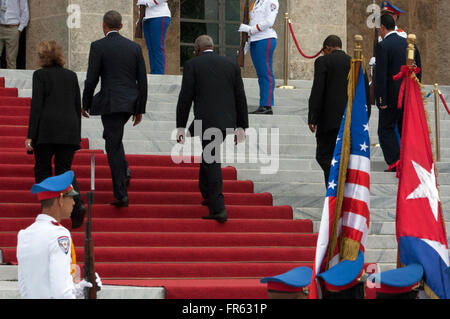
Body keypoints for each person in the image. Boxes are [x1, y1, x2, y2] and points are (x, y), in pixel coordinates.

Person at [176, 35, 248, 223]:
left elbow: (185, 98)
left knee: (211, 159)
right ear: (212, 47)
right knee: (209, 156)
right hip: (226, 122)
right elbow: (240, 97)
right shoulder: (231, 65)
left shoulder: (193, 65)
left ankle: (218, 207)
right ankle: (206, 192)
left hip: (207, 122)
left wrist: (180, 127)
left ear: (197, 48)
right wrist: (242, 126)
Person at [82, 10, 148, 207]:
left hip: (111, 102)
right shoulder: (134, 48)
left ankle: (121, 193)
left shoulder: (98, 46)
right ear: (121, 26)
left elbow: (92, 78)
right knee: (112, 138)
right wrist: (140, 109)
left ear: (104, 26)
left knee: (112, 144)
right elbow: (142, 80)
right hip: (129, 103)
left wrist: (85, 102)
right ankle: (125, 169)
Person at [25, 40, 85, 229]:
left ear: (43, 57)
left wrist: (30, 135)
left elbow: (37, 107)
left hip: (47, 130)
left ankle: (48, 207)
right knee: (64, 170)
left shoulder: (40, 75)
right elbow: (77, 106)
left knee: (42, 168)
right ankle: (77, 205)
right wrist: (77, 135)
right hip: (69, 130)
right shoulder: (71, 75)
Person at [16, 171, 102, 299]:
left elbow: (26, 286)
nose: (73, 203)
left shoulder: (24, 234)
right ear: (60, 199)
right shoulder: (59, 235)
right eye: (71, 197)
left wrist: (80, 289)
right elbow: (62, 293)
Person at [375, 13, 421, 172]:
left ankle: (395, 161)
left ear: (382, 28)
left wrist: (381, 99)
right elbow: (418, 70)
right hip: (408, 96)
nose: (378, 32)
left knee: (385, 130)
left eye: (378, 29)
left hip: (391, 97)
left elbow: (381, 75)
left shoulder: (383, 46)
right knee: (404, 129)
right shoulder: (410, 44)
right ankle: (409, 159)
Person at [308, 35, 351, 186]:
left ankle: (335, 187)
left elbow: (317, 90)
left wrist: (313, 117)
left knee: (324, 156)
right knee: (342, 158)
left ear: (327, 48)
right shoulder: (354, 62)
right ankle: (338, 186)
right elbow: (363, 92)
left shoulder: (323, 61)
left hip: (329, 122)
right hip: (350, 121)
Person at [238, 0, 279, 115]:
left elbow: (269, 22)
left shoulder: (271, 1)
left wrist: (251, 29)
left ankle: (267, 105)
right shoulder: (255, 2)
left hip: (265, 39)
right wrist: (245, 43)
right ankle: (263, 104)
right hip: (255, 40)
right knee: (261, 74)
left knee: (266, 74)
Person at [135, 0, 171, 74]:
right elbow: (141, 4)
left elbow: (145, 2)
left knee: (157, 46)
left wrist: (148, 2)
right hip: (146, 17)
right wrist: (139, 21)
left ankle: (159, 73)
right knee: (150, 48)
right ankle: (154, 72)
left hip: (159, 15)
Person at [0, 0, 29, 69]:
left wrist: (20, 29)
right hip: (0, 26)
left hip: (13, 28)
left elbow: (25, 9)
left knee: (11, 60)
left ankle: (11, 79)